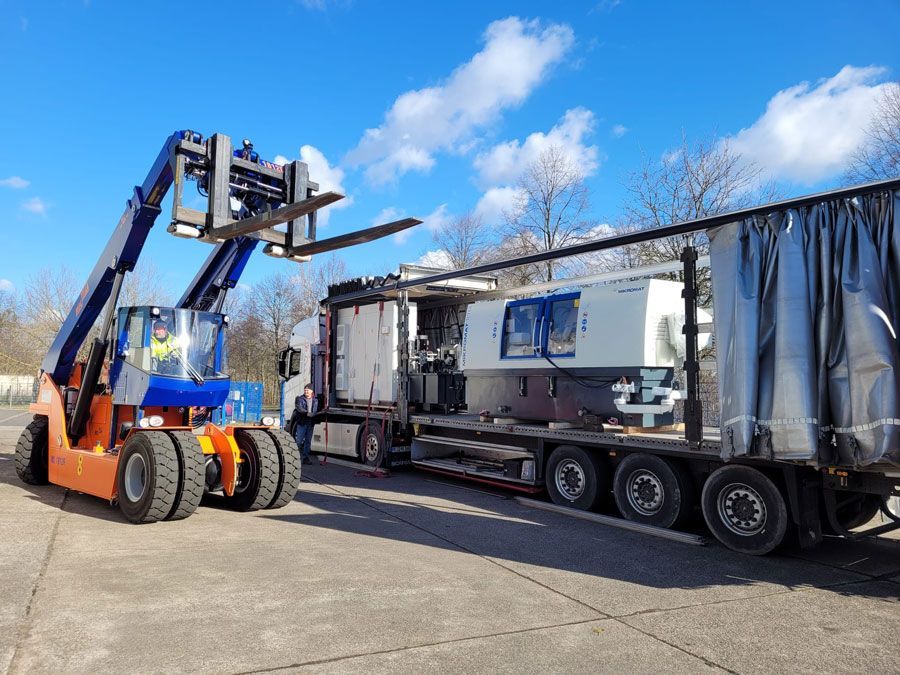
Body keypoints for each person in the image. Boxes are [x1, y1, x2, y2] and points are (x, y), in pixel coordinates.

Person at [294, 383, 318, 464]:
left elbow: (315, 410)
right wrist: (307, 413)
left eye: (307, 390)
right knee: (299, 441)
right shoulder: (299, 399)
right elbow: (299, 408)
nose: (306, 391)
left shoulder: (315, 400)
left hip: (310, 423)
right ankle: (294, 458)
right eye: (305, 390)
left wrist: (314, 414)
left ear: (311, 391)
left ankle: (305, 458)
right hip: (302, 422)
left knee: (308, 441)